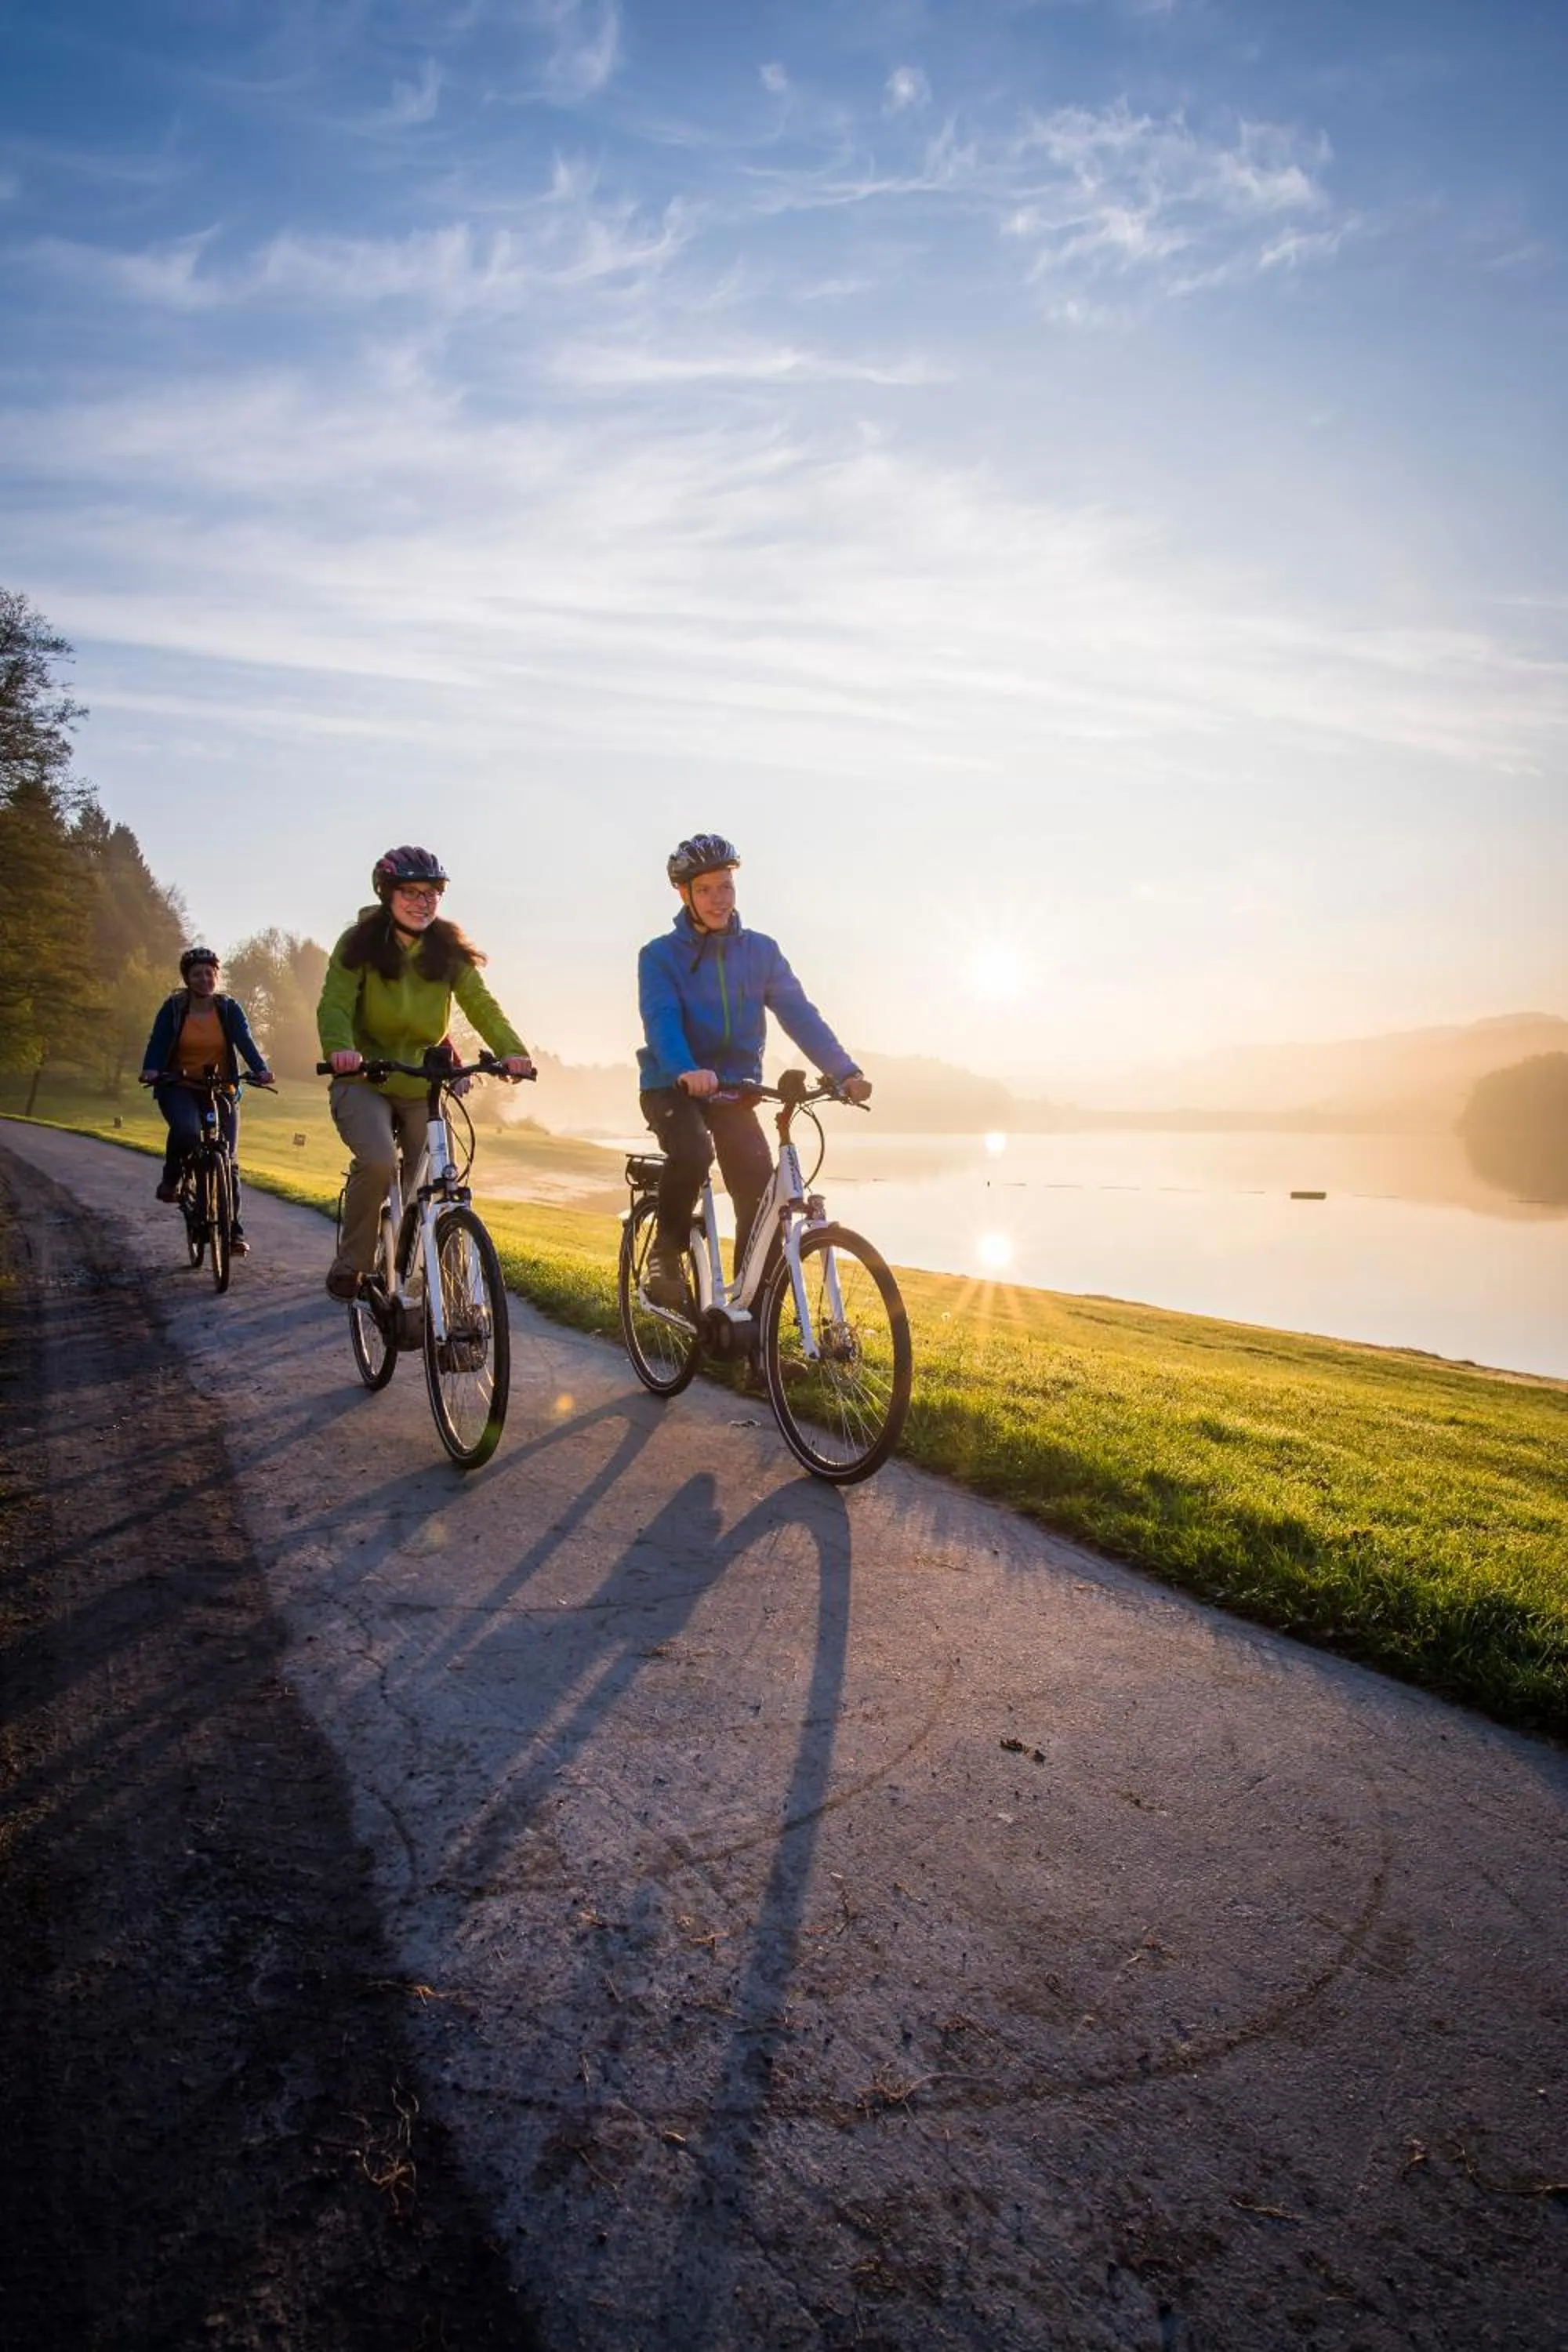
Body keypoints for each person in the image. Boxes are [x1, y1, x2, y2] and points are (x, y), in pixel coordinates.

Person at [637, 833, 870, 1309]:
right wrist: (685, 1069)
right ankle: (667, 1254)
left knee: (760, 1205)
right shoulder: (659, 956)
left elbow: (799, 1014)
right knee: (694, 1150)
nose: (718, 899)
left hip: (734, 1090)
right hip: (673, 1085)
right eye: (705, 890)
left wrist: (844, 1070)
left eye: (726, 887)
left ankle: (750, 1332)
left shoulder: (760, 952)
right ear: (684, 894)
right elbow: (661, 1022)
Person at [317, 845, 535, 1301]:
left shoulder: (447, 949)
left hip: (420, 1083)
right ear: (387, 895)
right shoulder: (359, 944)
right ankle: (354, 1262)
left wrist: (512, 1052)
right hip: (365, 1079)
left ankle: (444, 1295)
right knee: (378, 1161)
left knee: (436, 1178)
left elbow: (481, 1004)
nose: (422, 902)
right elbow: (335, 1003)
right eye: (410, 893)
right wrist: (341, 1050)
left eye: (432, 893)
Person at [140, 946, 274, 1255]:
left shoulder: (228, 1008)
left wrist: (261, 1070)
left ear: (217, 975)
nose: (204, 979)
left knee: (227, 1158)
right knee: (186, 1131)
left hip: (221, 1087)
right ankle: (172, 1179)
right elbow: (158, 1041)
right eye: (197, 974)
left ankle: (234, 1234)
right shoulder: (174, 1008)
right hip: (180, 1085)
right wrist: (152, 1069)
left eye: (209, 973)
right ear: (187, 978)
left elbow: (245, 1042)